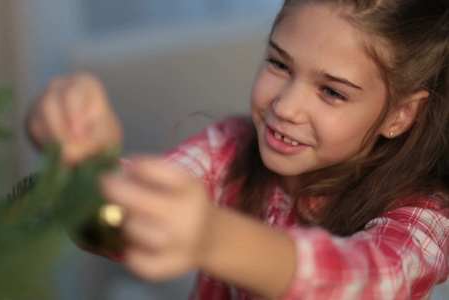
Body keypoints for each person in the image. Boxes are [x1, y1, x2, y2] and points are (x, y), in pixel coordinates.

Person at [26, 0, 449, 298]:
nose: (285, 106)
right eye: (280, 64)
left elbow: (371, 283)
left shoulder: (425, 218)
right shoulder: (228, 148)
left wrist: (211, 235)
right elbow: (115, 232)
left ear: (401, 114)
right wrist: (80, 160)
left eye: (331, 92)